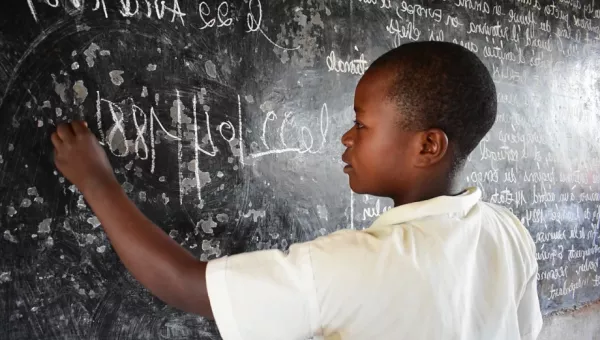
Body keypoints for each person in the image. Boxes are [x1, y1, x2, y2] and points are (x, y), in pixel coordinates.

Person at [50, 41, 542, 340]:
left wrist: (96, 180)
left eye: (362, 125)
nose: (347, 138)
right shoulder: (509, 231)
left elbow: (185, 283)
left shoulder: (360, 264)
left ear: (428, 145)